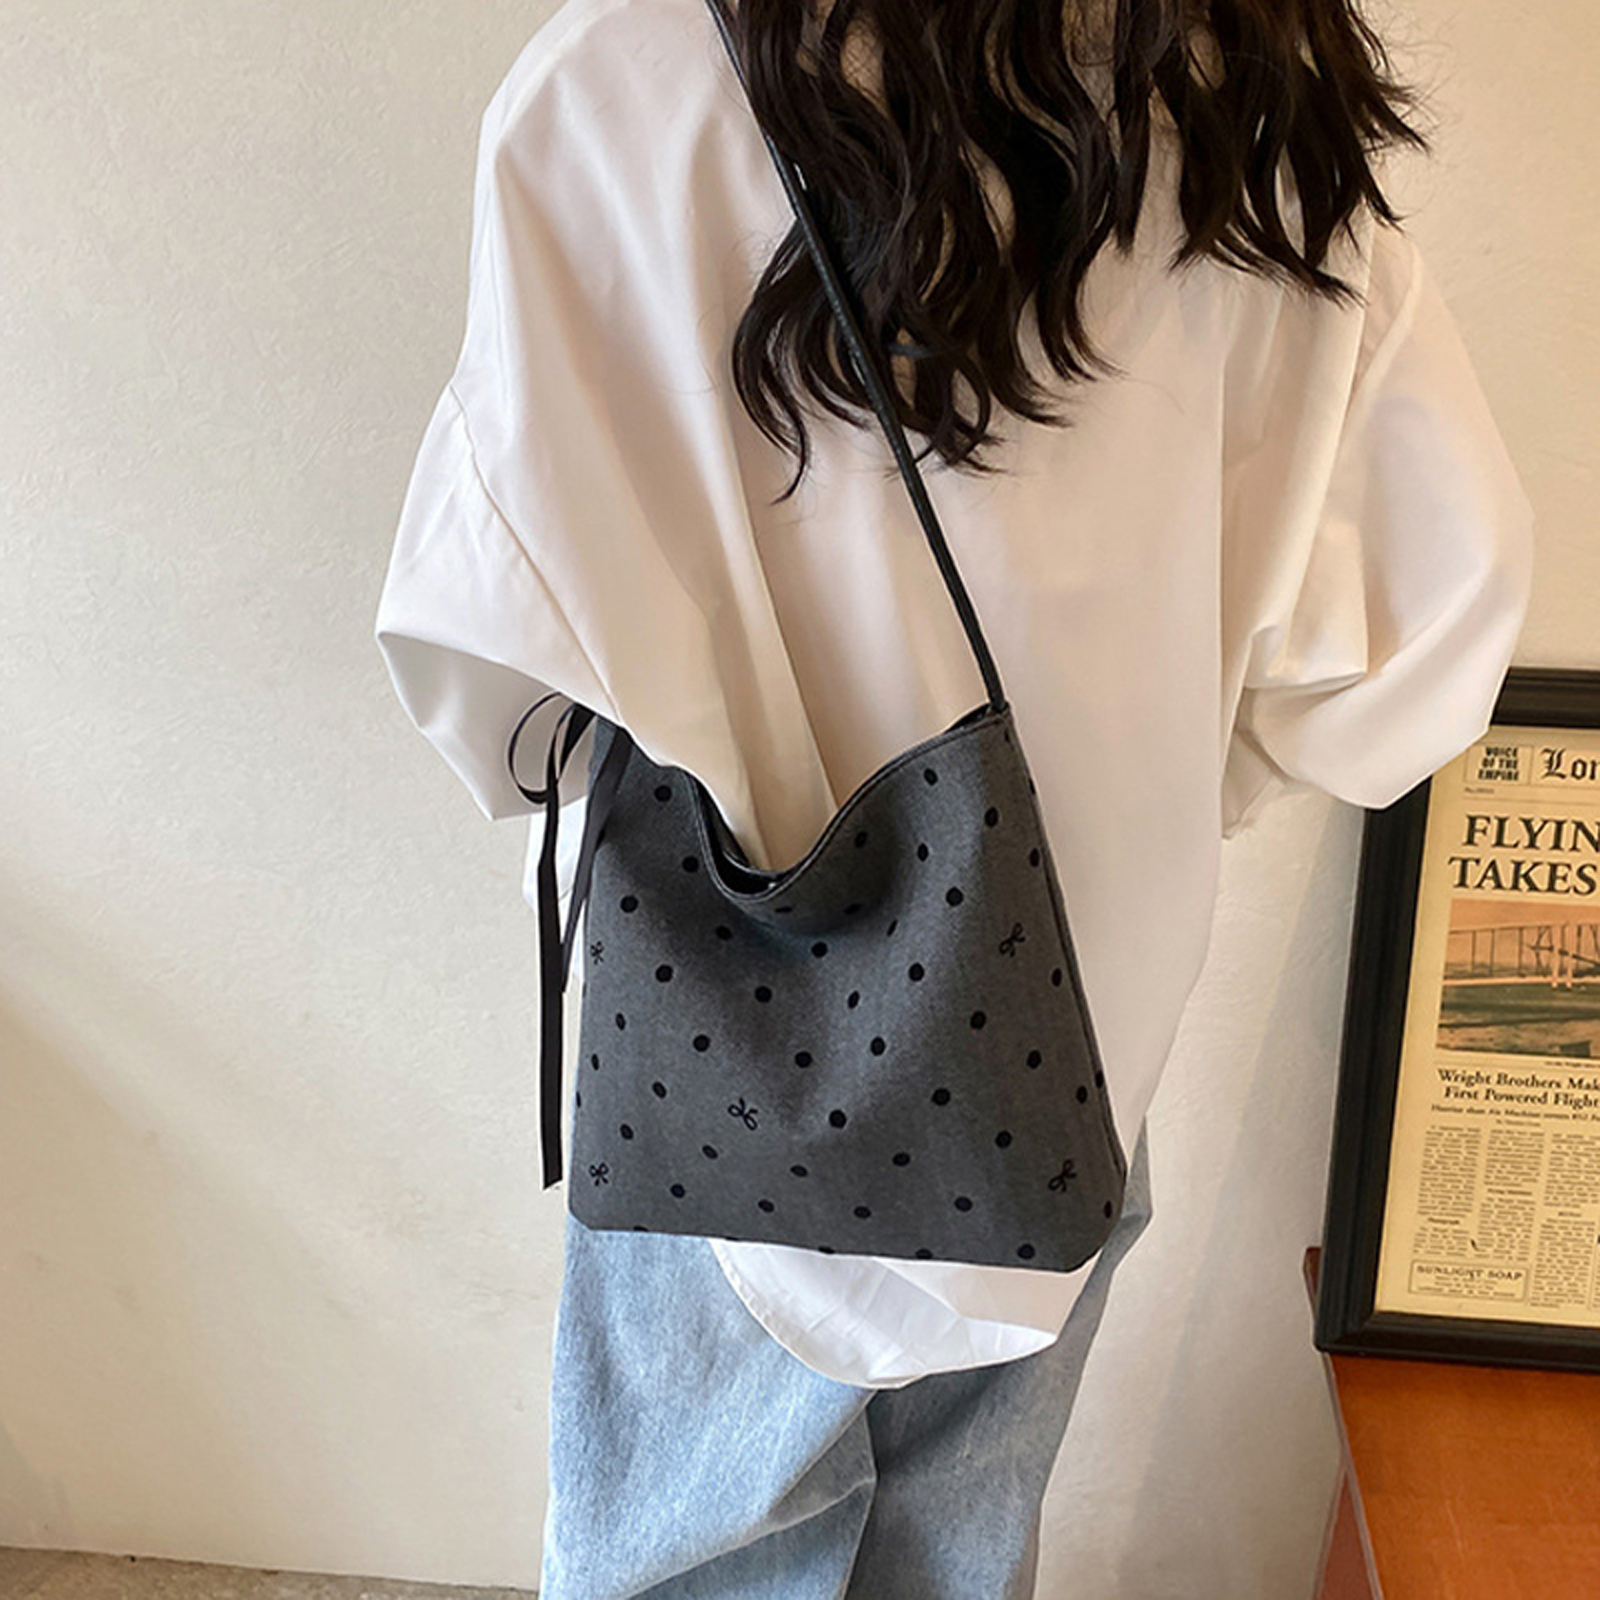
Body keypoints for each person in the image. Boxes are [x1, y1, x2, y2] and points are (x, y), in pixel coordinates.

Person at [373, 0, 1536, 1594]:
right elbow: (1422, 640)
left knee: (691, 1554)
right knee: (963, 1545)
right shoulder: (1259, 107)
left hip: (721, 1038)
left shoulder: (628, 73)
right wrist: (1167, 785)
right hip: (1064, 1027)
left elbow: (488, 644)